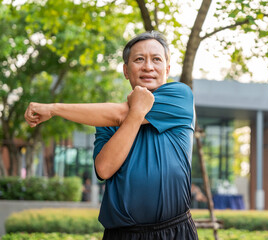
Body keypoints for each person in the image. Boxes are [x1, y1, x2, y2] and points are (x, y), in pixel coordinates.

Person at [24, 31, 198, 240]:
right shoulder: (105, 118)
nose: (148, 67)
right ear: (126, 70)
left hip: (174, 232)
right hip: (122, 235)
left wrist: (53, 109)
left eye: (156, 59)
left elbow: (119, 114)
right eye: (139, 59)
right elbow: (104, 169)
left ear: (167, 69)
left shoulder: (180, 96)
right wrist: (135, 113)